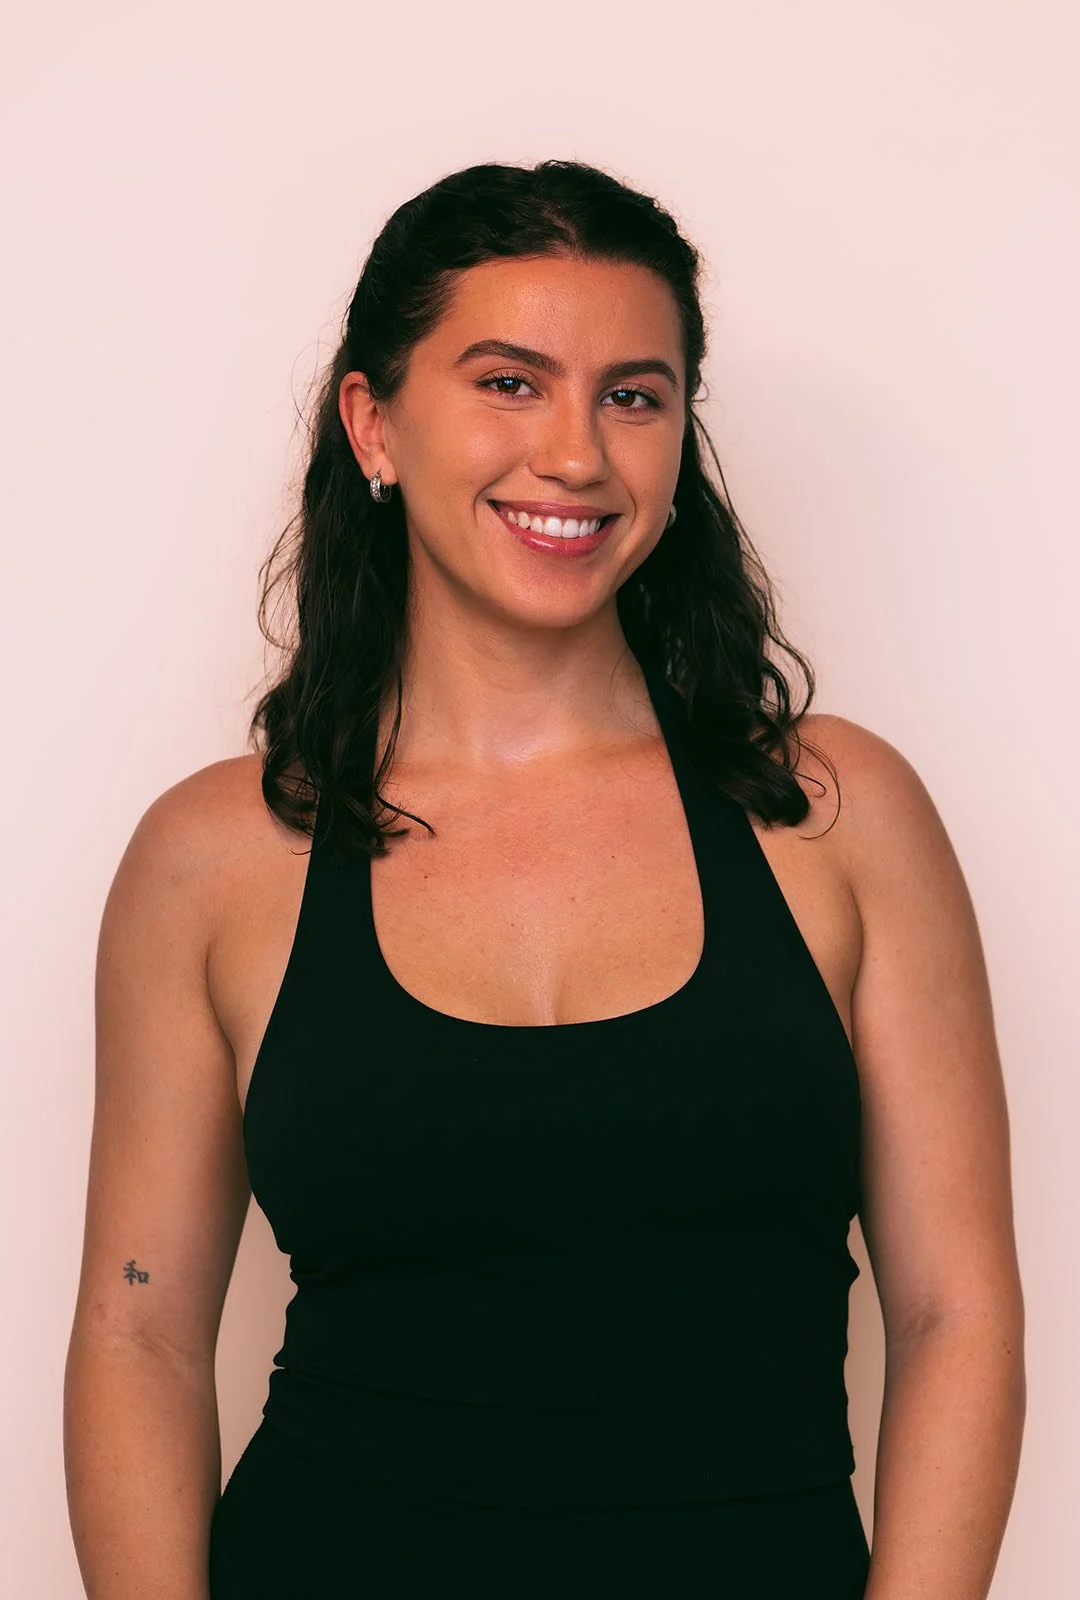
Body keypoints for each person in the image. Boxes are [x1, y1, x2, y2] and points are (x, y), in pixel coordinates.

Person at [64, 160, 1025, 1599]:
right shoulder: (214, 861)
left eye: (634, 395)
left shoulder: (837, 818)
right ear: (373, 423)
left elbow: (956, 1315)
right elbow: (138, 1335)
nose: (576, 453)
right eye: (510, 383)